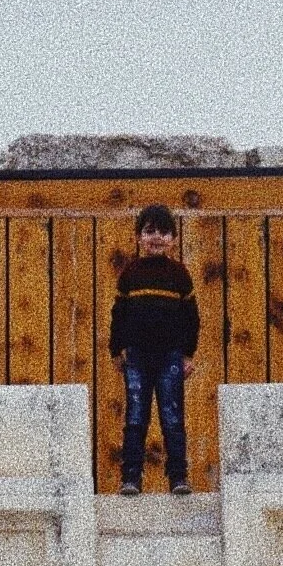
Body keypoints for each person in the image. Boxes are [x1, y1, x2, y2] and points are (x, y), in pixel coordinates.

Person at [108, 204, 198, 494]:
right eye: (149, 231)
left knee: (172, 418)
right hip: (136, 357)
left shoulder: (180, 275)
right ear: (138, 237)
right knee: (135, 417)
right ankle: (131, 478)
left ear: (173, 238)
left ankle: (178, 478)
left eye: (163, 231)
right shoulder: (130, 274)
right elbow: (118, 314)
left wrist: (187, 354)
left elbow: (191, 318)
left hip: (170, 357)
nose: (156, 237)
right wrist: (115, 350)